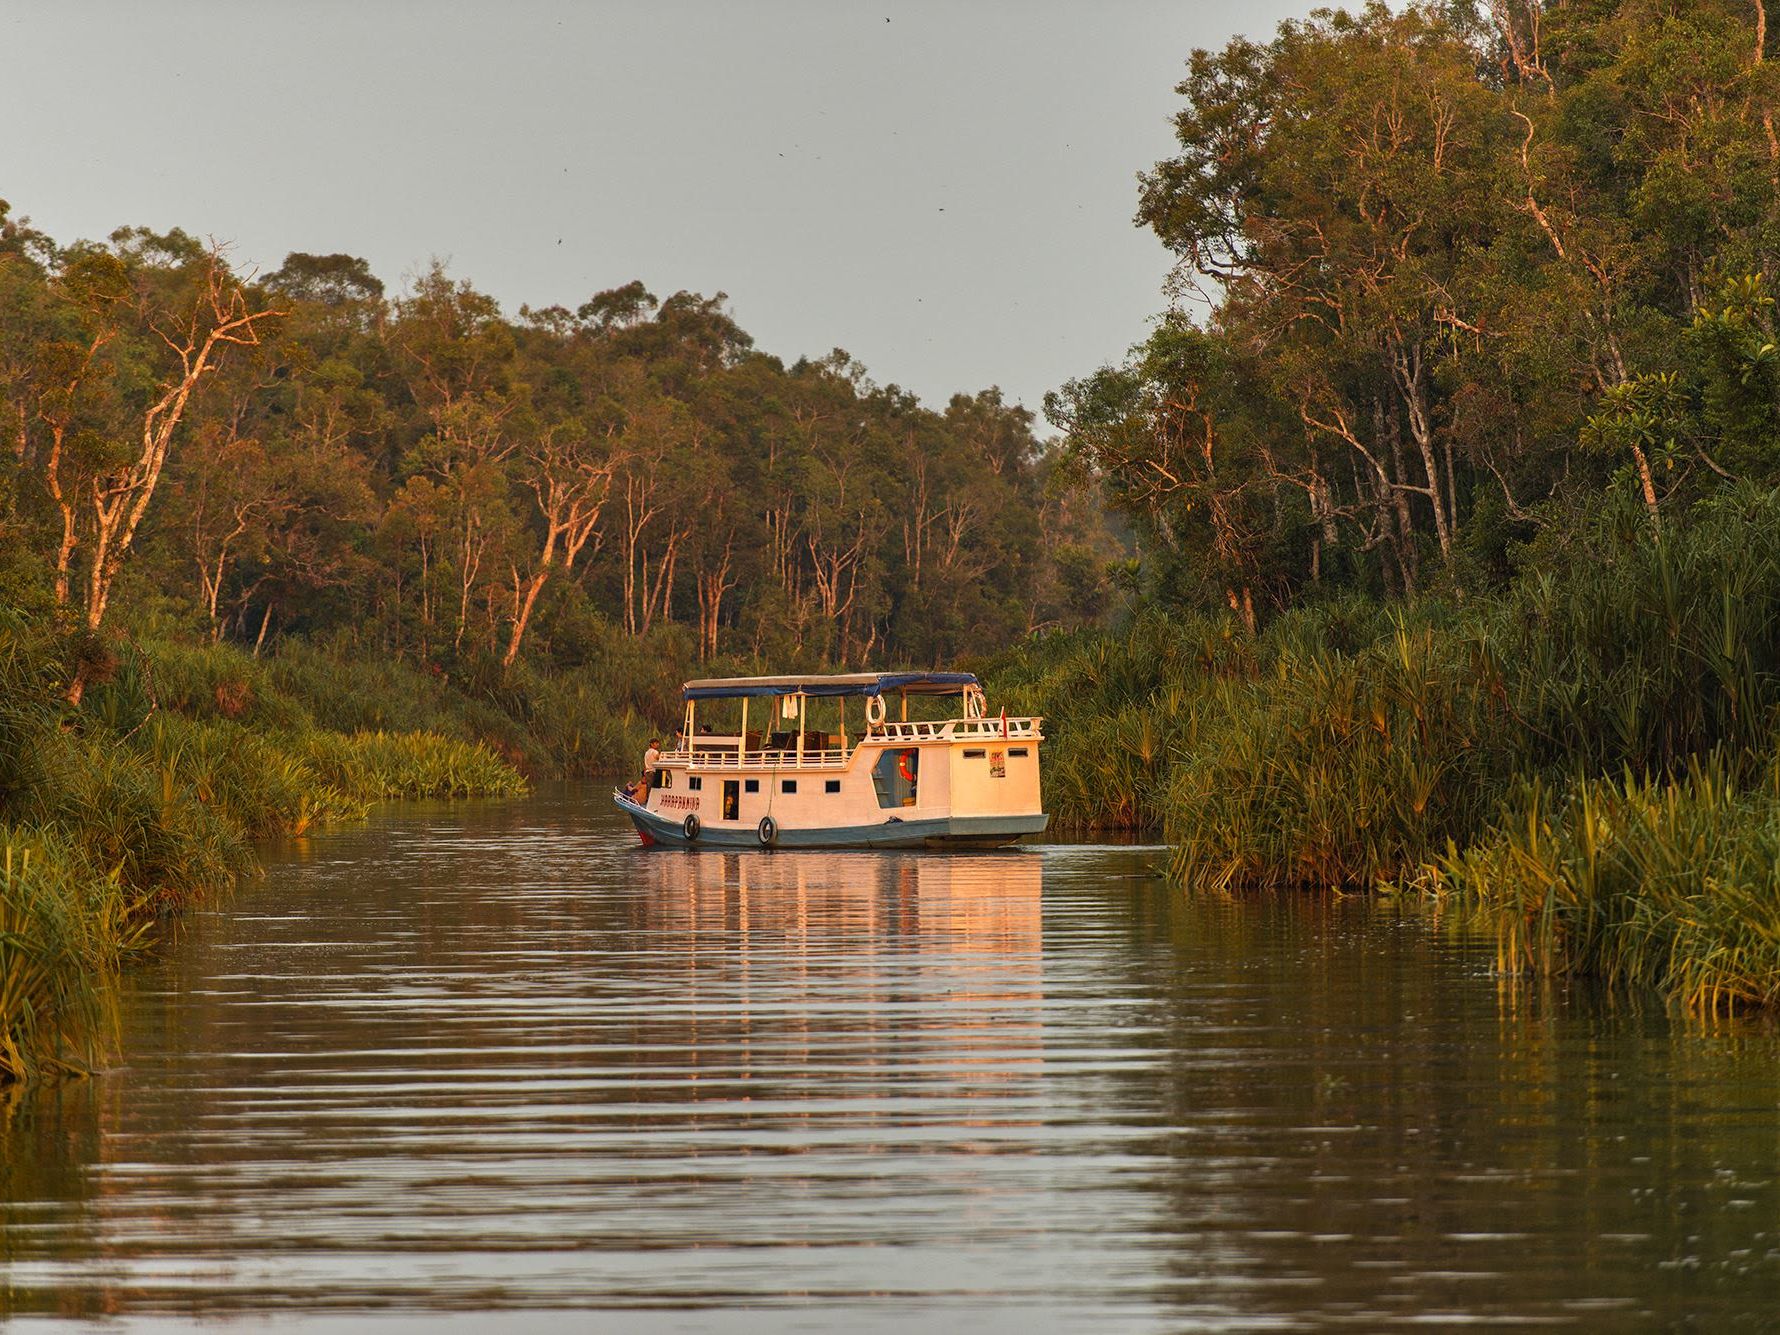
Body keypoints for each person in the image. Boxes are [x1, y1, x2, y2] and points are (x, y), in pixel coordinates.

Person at [633, 737, 662, 803]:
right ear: (651, 744)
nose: (658, 744)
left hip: (647, 772)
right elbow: (659, 757)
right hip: (652, 772)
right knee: (652, 787)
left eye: (658, 743)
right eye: (656, 743)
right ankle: (650, 801)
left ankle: (648, 800)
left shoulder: (646, 753)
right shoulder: (654, 752)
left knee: (649, 786)